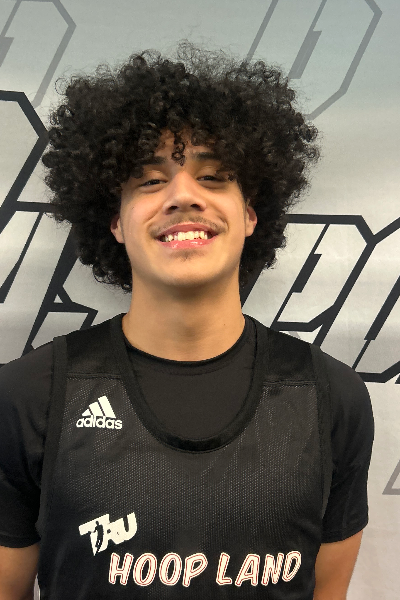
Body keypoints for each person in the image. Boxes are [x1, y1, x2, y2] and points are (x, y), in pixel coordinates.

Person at [0, 40, 374, 599]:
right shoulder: (30, 396)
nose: (183, 195)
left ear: (251, 215)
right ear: (115, 222)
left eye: (214, 176)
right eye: (150, 181)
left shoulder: (331, 397)